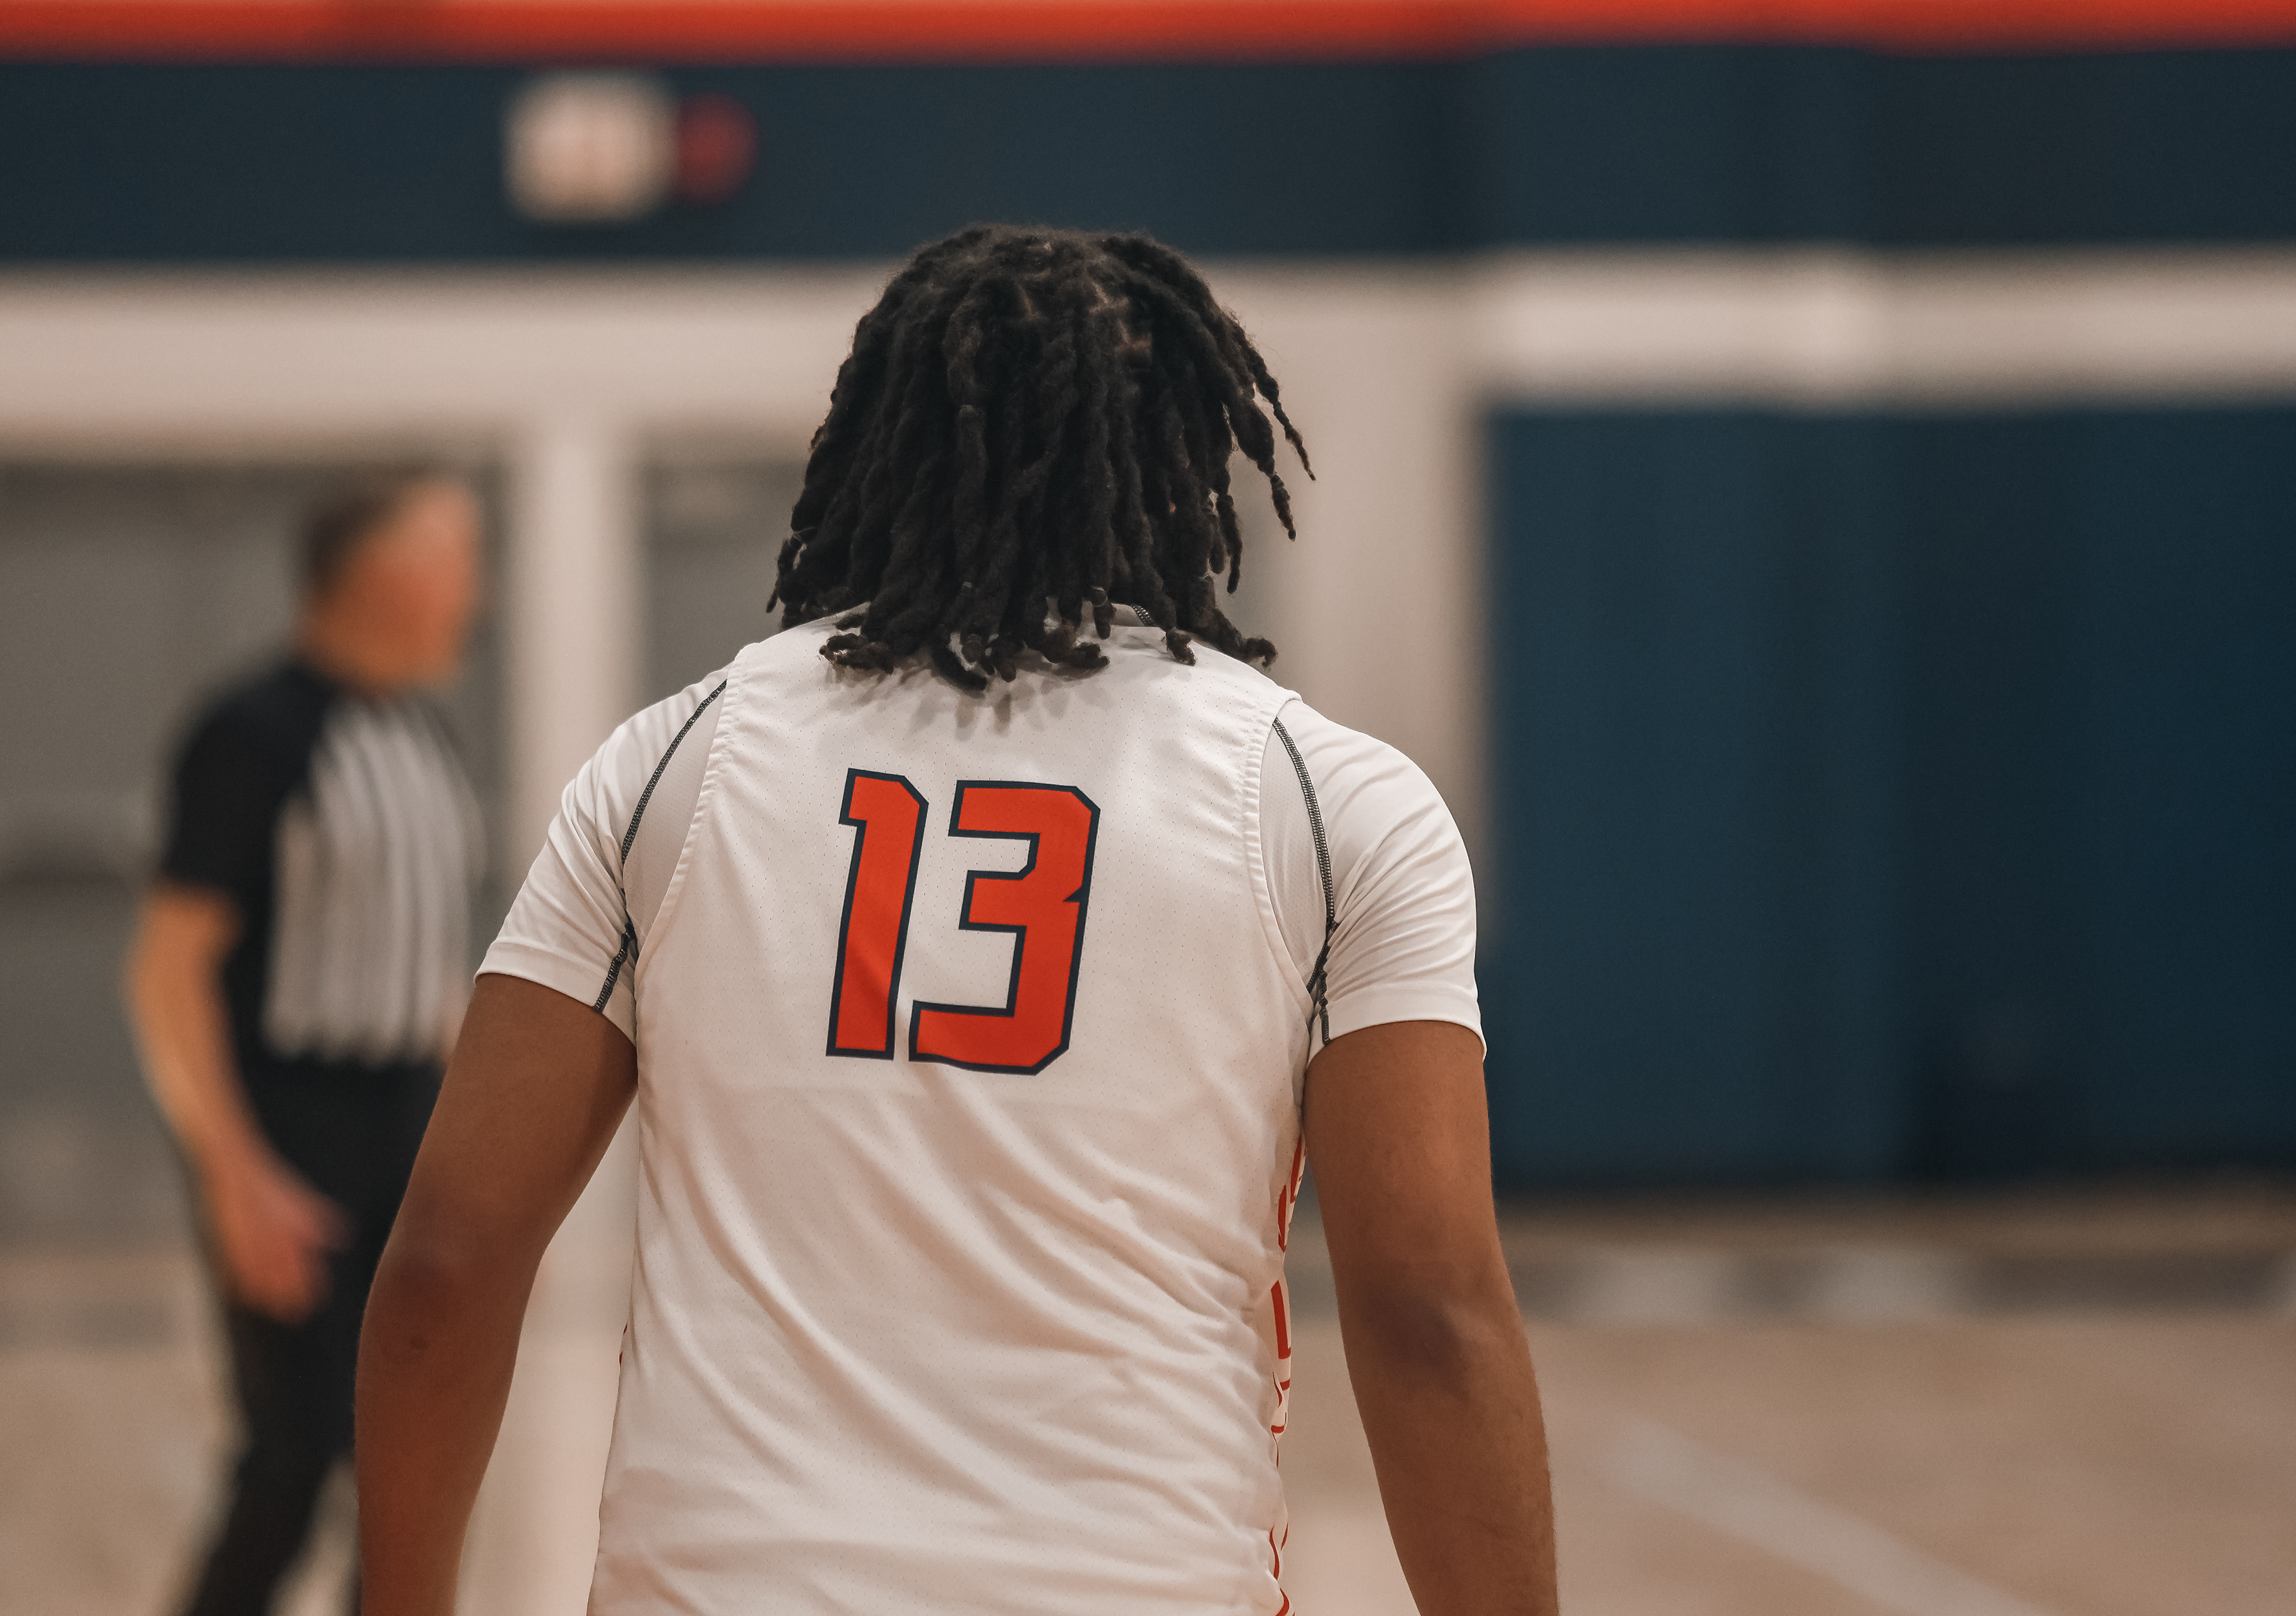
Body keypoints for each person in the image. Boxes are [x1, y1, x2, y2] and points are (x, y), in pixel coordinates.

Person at [358, 226, 1555, 1615]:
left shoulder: (673, 761)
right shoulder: (1330, 801)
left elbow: (448, 1256)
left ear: (873, 443)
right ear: (1184, 465)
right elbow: (1426, 1311)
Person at [125, 471, 487, 1616]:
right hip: (288, 1130)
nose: (474, 593)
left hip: (407, 1127)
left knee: (408, 1469)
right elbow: (168, 970)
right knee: (289, 1460)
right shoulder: (252, 734)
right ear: (386, 575)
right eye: (456, 561)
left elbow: (421, 957)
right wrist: (233, 1175)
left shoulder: (423, 731)